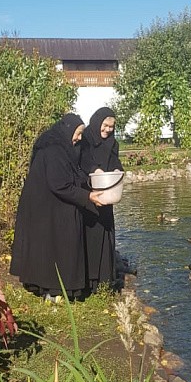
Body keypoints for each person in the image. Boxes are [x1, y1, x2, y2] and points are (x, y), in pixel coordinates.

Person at [10, 113, 102, 300]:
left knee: (51, 246)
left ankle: (54, 287)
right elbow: (59, 184)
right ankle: (52, 288)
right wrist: (88, 196)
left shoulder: (61, 147)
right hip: (46, 206)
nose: (79, 138)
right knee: (54, 245)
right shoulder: (54, 150)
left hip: (47, 204)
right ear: (68, 130)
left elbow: (70, 174)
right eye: (78, 133)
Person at [80, 107, 123, 293]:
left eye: (111, 127)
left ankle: (104, 279)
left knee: (106, 233)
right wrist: (95, 170)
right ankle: (88, 279)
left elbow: (115, 162)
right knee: (90, 234)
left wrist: (116, 171)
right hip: (89, 194)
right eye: (105, 125)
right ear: (97, 122)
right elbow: (82, 160)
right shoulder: (86, 139)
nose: (107, 130)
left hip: (107, 193)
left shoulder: (113, 143)